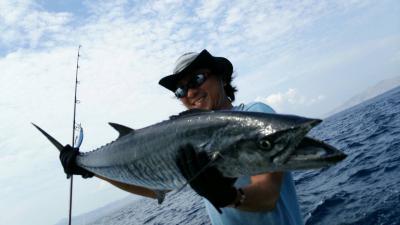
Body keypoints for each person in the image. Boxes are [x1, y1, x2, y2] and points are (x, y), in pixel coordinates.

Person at [60, 49, 304, 225]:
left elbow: (267, 194)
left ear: (222, 77)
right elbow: (155, 189)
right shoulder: (189, 143)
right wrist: (90, 169)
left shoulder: (255, 114)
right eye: (180, 90)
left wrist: (231, 197)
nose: (190, 92)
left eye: (197, 79)